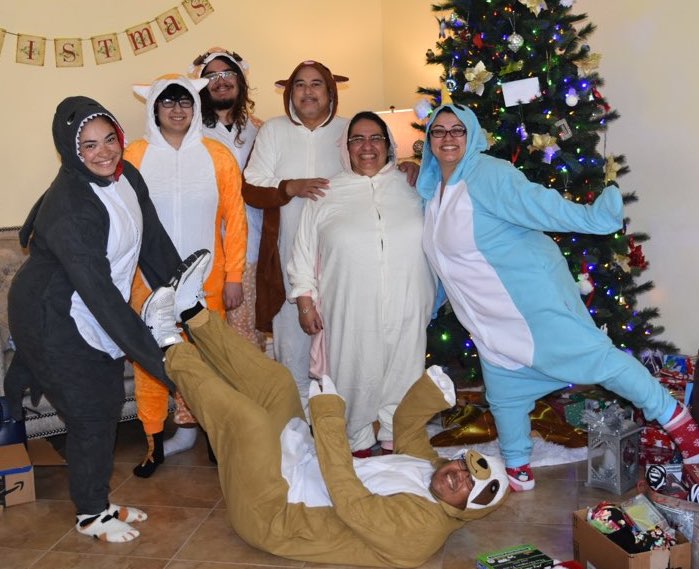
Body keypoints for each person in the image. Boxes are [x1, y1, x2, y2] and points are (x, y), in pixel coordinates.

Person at [138, 265, 509, 568]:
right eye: (463, 467)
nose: (457, 475)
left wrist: (329, 416)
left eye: (467, 484)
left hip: (272, 513)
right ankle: (194, 314)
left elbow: (348, 499)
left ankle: (167, 343)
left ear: (470, 510)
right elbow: (408, 430)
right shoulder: (431, 470)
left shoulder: (420, 532)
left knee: (249, 423)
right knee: (279, 384)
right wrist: (433, 394)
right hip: (301, 467)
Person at [417, 103, 699, 492]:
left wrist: (593, 219)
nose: (448, 137)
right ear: (429, 139)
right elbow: (445, 261)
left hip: (527, 306)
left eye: (457, 129)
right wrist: (427, 309)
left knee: (600, 360)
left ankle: (680, 425)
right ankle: (517, 466)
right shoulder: (432, 193)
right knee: (505, 395)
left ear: (472, 134)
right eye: (439, 130)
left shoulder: (487, 175)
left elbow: (538, 205)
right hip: (488, 321)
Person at [3, 96, 182, 542]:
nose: (104, 152)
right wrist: (157, 358)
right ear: (71, 150)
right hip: (51, 316)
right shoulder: (69, 205)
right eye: (89, 145)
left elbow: (153, 241)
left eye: (109, 139)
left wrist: (185, 296)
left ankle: (99, 502)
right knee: (90, 414)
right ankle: (90, 515)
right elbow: (98, 293)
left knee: (105, 403)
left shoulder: (128, 175)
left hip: (89, 304)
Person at [244, 61, 419, 414]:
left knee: (343, 348)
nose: (308, 92)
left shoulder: (349, 131)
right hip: (289, 256)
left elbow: (375, 171)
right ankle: (299, 424)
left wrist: (406, 166)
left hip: (344, 265)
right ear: (289, 93)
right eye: (300, 85)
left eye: (316, 84)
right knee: (292, 345)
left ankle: (344, 418)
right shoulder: (274, 131)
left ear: (331, 91)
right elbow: (251, 185)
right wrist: (290, 187)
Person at [287, 111, 434, 456]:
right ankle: (357, 441)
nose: (367, 146)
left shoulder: (412, 187)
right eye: (358, 139)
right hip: (348, 306)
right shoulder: (326, 192)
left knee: (405, 371)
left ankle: (398, 436)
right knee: (353, 373)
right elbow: (303, 253)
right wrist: (305, 302)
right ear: (346, 147)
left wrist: (415, 168)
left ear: (388, 145)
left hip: (408, 301)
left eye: (375, 138)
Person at [125, 74, 247, 476]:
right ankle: (153, 443)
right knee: (151, 365)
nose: (177, 110)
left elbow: (235, 218)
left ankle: (215, 439)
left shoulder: (218, 155)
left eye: (185, 102)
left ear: (195, 107)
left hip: (207, 284)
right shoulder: (134, 156)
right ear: (153, 108)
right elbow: (123, 219)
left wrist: (234, 275)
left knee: (210, 363)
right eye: (168, 102)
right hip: (148, 284)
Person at [190, 47, 267, 351]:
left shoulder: (261, 129)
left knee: (248, 335)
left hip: (252, 247)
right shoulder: (191, 133)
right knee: (210, 339)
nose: (220, 81)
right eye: (212, 76)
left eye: (227, 73)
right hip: (205, 250)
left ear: (240, 79)